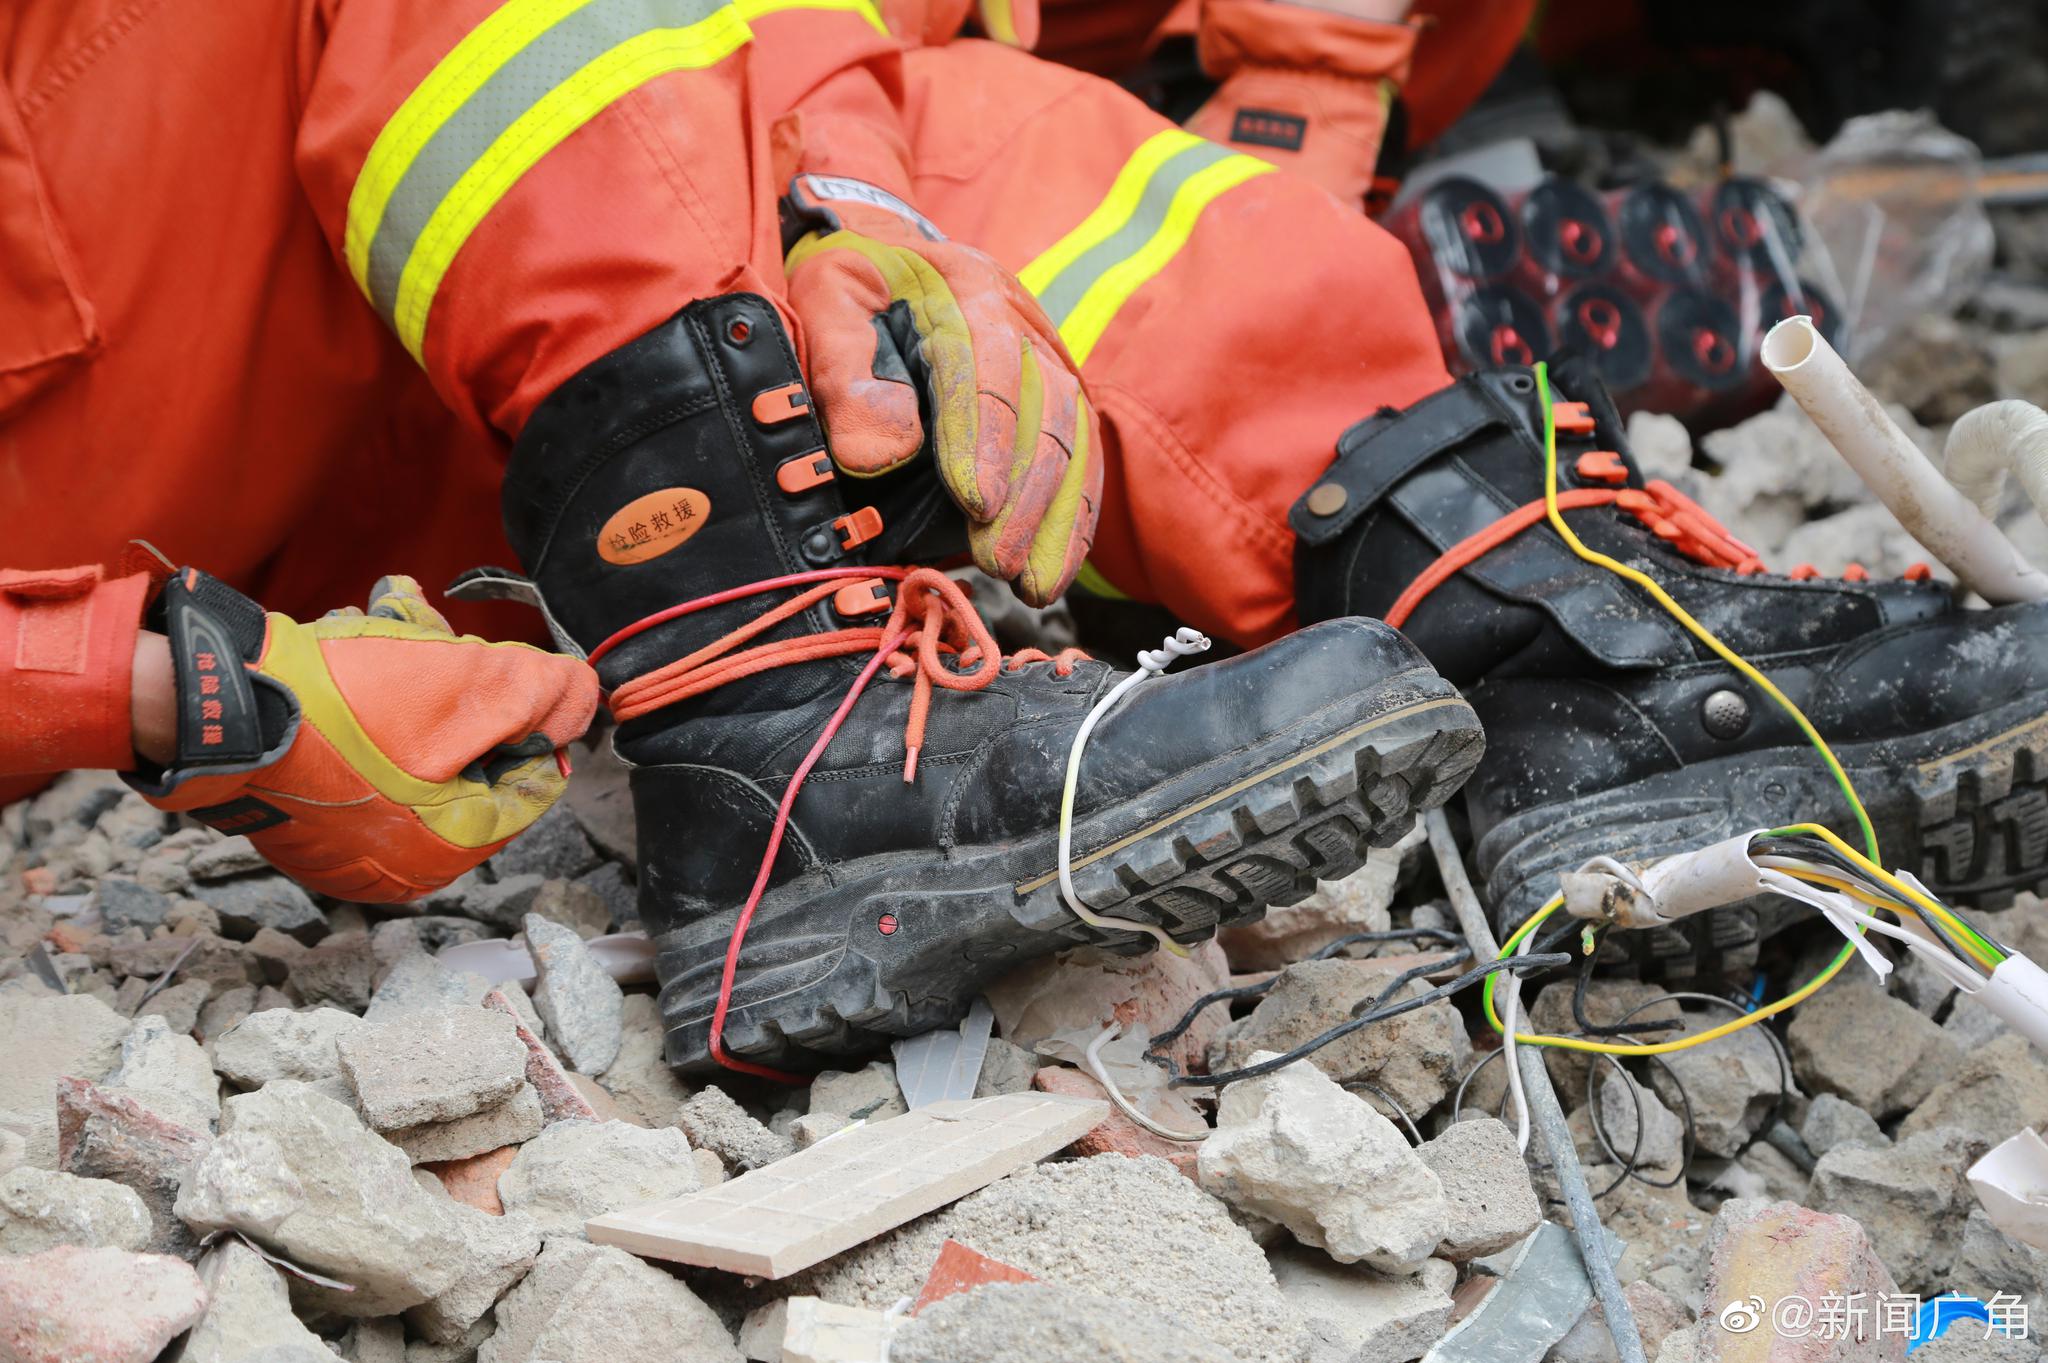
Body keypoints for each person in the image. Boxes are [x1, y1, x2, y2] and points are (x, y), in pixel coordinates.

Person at [5, 0, 2044, 1078]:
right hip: (102, 427)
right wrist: (164, 684)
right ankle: (782, 727)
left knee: (960, 144)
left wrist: (836, 202)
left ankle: (1547, 639)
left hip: (399, 367)